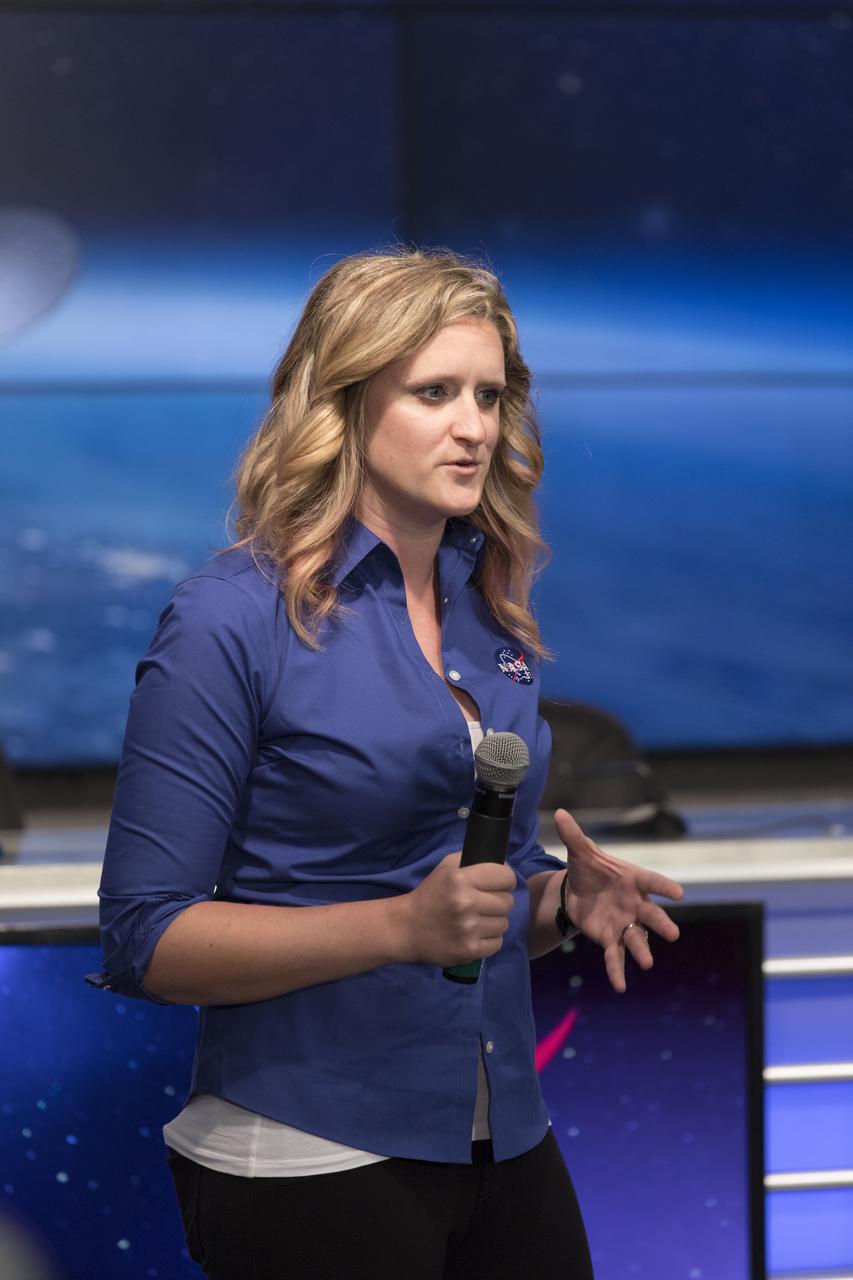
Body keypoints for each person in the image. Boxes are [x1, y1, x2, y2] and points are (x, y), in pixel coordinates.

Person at [89, 246, 685, 1280]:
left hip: (502, 1132)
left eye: (489, 395)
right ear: (344, 403)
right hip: (310, 1148)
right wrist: (398, 927)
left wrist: (556, 902)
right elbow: (146, 937)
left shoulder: (490, 612)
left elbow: (476, 895)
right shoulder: (231, 617)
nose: (475, 426)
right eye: (434, 392)